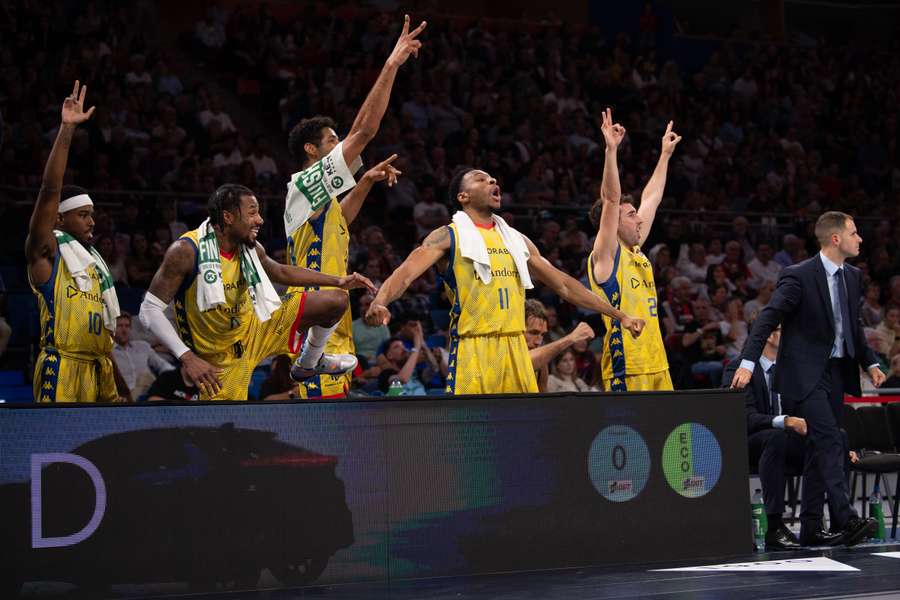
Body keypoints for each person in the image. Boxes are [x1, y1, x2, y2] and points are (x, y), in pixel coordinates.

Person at [365, 167, 644, 395]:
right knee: (472, 439)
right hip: (474, 349)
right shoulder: (448, 236)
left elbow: (563, 284)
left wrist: (618, 314)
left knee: (519, 439)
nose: (492, 181)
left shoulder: (517, 240)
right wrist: (380, 300)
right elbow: (405, 274)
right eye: (481, 179)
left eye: (493, 178)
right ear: (463, 196)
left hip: (515, 349)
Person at [283, 14, 424, 399]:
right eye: (331, 141)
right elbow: (364, 131)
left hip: (332, 313)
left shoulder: (320, 202)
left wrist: (363, 182)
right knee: (321, 422)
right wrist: (392, 64)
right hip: (315, 311)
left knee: (337, 419)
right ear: (311, 151)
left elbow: (340, 220)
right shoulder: (301, 185)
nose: (339, 144)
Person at [730, 211, 884, 547]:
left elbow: (852, 326)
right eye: (854, 233)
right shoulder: (798, 275)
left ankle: (813, 527)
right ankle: (847, 516)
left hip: (836, 371)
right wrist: (747, 362)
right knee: (830, 438)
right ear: (835, 239)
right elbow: (768, 318)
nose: (860, 239)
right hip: (804, 375)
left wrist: (870, 362)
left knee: (819, 446)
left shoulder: (853, 276)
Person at [139, 184, 376, 400]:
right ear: (228, 217)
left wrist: (339, 280)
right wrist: (187, 357)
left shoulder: (250, 246)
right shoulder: (186, 251)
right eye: (252, 213)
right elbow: (149, 311)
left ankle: (309, 364)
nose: (260, 220)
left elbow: (281, 272)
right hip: (221, 359)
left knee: (335, 300)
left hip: (256, 327)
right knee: (223, 438)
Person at [25, 81, 120, 402]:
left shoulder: (94, 263)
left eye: (92, 214)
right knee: (57, 450)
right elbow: (50, 190)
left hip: (99, 367)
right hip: (62, 366)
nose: (92, 222)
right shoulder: (47, 249)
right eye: (82, 214)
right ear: (60, 218)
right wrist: (67, 130)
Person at [587, 109, 680, 391]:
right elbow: (611, 198)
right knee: (633, 437)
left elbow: (652, 198)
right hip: (627, 367)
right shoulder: (606, 255)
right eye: (630, 215)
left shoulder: (636, 249)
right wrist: (610, 150)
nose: (639, 218)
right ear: (612, 222)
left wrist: (664, 155)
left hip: (658, 363)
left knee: (664, 435)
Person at [524, 299, 596, 392]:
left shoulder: (542, 363)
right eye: (533, 333)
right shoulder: (504, 352)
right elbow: (524, 361)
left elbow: (540, 399)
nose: (538, 341)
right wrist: (571, 338)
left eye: (542, 334)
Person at [111, 312, 175, 399]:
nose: (124, 330)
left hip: (150, 391)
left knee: (147, 377)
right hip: (125, 395)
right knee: (145, 378)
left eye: (127, 326)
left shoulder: (142, 346)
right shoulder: (109, 352)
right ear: (113, 329)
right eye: (120, 326)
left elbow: (162, 365)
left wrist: (177, 375)